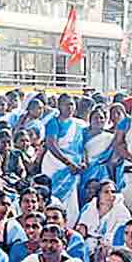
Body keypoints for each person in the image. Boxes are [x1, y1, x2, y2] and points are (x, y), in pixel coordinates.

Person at [41, 94, 87, 223]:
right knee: (54, 196)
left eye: (72, 104)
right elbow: (51, 144)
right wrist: (68, 163)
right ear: (59, 106)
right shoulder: (53, 123)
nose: (69, 107)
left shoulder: (80, 125)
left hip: (73, 169)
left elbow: (81, 147)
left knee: (71, 201)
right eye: (66, 104)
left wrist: (82, 162)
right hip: (55, 165)